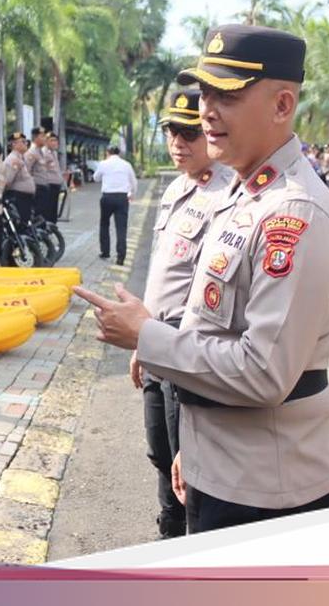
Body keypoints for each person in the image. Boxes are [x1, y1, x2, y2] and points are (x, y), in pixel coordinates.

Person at [76, 24, 329, 532]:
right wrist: (196, 450)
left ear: (282, 105)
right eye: (205, 92)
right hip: (226, 464)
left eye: (227, 93)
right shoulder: (246, 195)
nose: (206, 109)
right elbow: (215, 331)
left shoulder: (293, 212)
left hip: (266, 490)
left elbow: (263, 372)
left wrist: (146, 335)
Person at [134, 88, 233, 539]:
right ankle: (168, 530)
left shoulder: (228, 193)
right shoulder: (176, 189)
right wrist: (143, 336)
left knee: (188, 459)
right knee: (159, 449)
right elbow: (163, 269)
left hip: (188, 340)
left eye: (189, 132)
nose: (178, 142)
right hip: (157, 335)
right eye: (172, 131)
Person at [94, 144, 138, 265]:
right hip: (122, 198)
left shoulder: (103, 164)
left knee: (104, 224)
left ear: (108, 152)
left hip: (107, 197)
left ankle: (105, 252)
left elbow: (96, 178)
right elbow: (134, 181)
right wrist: (132, 193)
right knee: (121, 227)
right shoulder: (126, 164)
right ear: (118, 153)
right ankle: (121, 257)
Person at [3, 131, 37, 229]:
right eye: (22, 142)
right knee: (20, 225)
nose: (26, 143)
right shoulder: (13, 160)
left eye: (25, 141)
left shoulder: (20, 158)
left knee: (25, 223)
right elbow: (7, 181)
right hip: (18, 198)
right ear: (14, 144)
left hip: (24, 198)